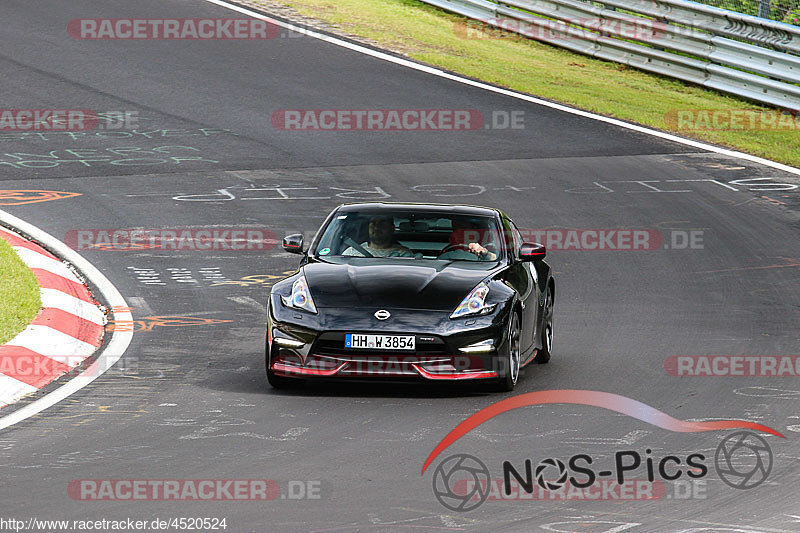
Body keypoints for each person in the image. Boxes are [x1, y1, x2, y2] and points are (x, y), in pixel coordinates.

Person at [342, 215, 414, 257]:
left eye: (382, 223)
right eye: (373, 223)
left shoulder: (404, 254)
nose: (376, 227)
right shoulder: (351, 252)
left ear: (392, 229)